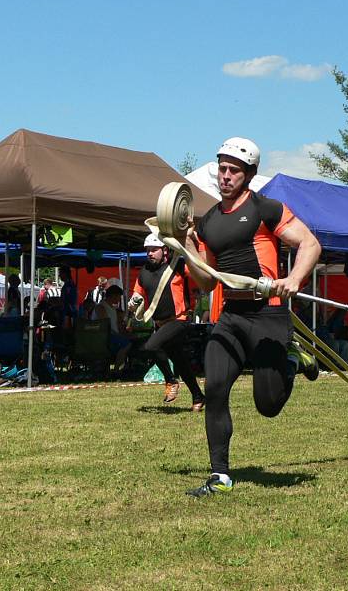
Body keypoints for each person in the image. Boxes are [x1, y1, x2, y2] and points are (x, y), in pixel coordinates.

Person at [181, 137, 322, 497]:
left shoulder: (266, 209)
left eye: (234, 170)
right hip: (232, 316)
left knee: (268, 404)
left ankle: (294, 357)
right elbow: (207, 283)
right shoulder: (209, 222)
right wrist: (186, 247)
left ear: (249, 174)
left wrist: (293, 279)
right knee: (214, 388)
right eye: (222, 168)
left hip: (268, 316)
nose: (225, 176)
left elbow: (310, 244)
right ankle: (220, 476)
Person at [128, 233, 206, 410]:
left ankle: (171, 381)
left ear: (165, 250)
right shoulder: (144, 271)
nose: (150, 254)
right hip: (160, 323)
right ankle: (198, 396)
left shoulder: (178, 265)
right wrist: (133, 302)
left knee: (151, 346)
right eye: (148, 250)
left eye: (154, 250)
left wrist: (193, 245)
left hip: (179, 320)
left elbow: (199, 270)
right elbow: (137, 293)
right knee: (181, 362)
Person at [94, 285, 132, 376]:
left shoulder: (113, 309)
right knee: (127, 344)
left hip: (112, 336)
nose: (119, 299)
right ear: (113, 296)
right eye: (119, 296)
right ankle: (116, 369)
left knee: (130, 341)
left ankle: (122, 367)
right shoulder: (101, 307)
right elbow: (105, 325)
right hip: (104, 338)